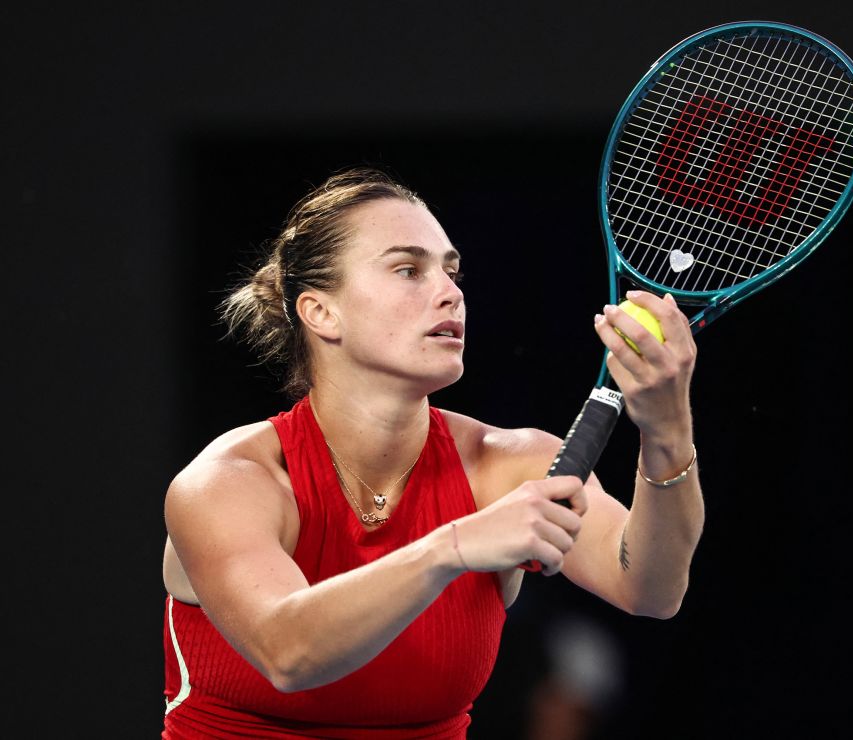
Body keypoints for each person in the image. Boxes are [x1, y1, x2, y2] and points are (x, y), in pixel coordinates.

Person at [161, 166, 705, 738]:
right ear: (321, 312)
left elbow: (651, 589)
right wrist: (455, 544)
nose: (450, 293)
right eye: (407, 270)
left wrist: (667, 430)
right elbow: (289, 653)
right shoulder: (230, 482)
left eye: (451, 272)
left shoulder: (508, 464)